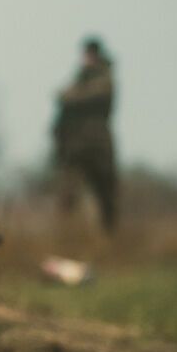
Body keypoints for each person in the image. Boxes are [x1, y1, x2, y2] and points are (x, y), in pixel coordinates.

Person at [53, 37, 118, 233]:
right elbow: (62, 97)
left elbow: (75, 96)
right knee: (68, 192)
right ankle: (65, 234)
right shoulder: (82, 77)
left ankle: (110, 234)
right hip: (76, 144)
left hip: (98, 144)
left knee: (105, 192)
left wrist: (72, 95)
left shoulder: (104, 77)